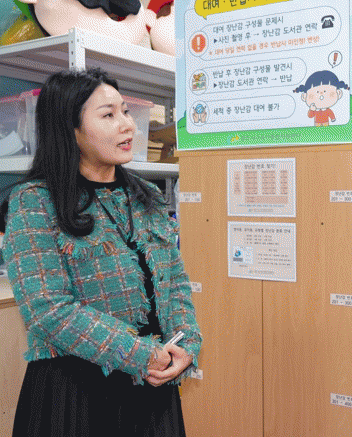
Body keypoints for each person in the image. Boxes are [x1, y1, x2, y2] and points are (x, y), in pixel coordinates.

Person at [0, 68, 202, 437]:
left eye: (126, 111)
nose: (128, 125)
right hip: (75, 392)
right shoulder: (35, 201)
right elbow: (48, 309)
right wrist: (140, 354)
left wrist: (186, 341)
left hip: (153, 387)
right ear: (70, 128)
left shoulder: (146, 195)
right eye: (108, 115)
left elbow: (174, 279)